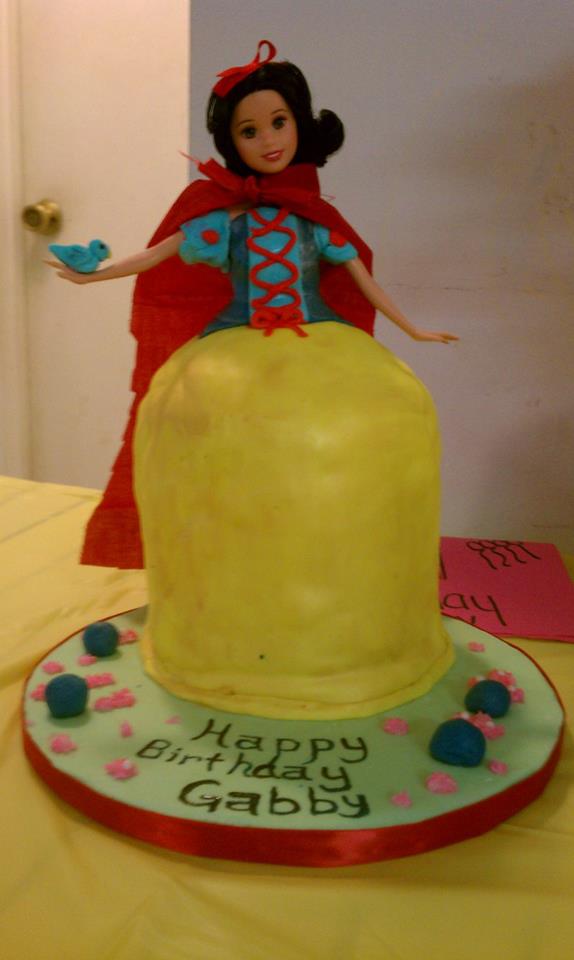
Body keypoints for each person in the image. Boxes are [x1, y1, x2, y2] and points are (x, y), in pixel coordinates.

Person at [46, 40, 457, 569]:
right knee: (213, 433)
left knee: (334, 436)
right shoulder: (222, 219)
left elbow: (361, 279)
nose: (268, 140)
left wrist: (412, 329)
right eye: (249, 130)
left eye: (278, 123)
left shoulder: (315, 221)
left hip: (318, 337)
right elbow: (157, 255)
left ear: (298, 124)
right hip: (235, 338)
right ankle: (227, 552)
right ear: (232, 141)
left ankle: (321, 553)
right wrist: (96, 276)